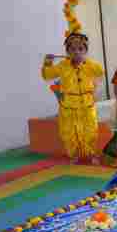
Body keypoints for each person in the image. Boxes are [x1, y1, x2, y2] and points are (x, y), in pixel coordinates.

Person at [42, 33, 104, 164]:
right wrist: (48, 62)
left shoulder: (89, 65)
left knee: (90, 130)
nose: (77, 52)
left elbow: (100, 71)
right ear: (67, 52)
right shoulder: (62, 66)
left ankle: (91, 154)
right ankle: (74, 155)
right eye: (73, 49)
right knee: (69, 131)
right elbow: (47, 75)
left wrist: (86, 63)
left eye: (81, 49)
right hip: (68, 105)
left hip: (87, 104)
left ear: (85, 51)